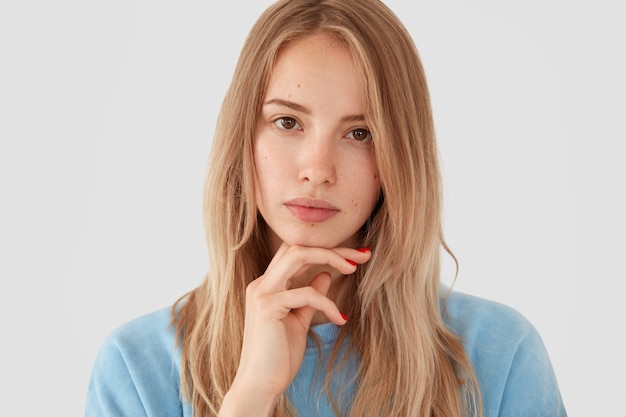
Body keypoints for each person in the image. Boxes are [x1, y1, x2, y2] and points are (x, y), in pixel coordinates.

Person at [85, 0, 567, 416]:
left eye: (360, 133)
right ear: (243, 139)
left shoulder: (499, 356)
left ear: (398, 158)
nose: (318, 169)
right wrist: (249, 397)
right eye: (288, 122)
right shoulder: (136, 369)